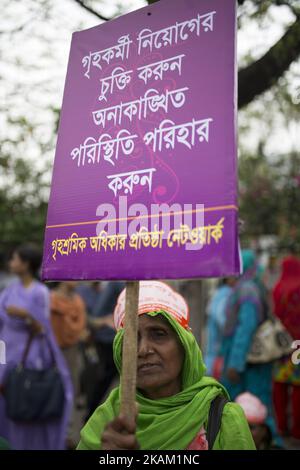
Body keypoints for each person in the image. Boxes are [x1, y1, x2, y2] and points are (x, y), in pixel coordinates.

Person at [77, 281, 255, 450]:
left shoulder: (222, 418)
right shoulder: (106, 422)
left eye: (158, 334)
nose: (143, 350)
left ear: (185, 346)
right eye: (131, 339)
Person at [0, 244, 73, 450]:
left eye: (14, 259)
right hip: (5, 351)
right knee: (5, 399)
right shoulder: (8, 290)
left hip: (29, 353)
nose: (10, 263)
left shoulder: (40, 292)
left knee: (26, 396)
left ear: (26, 264)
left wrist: (25, 315)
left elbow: (43, 329)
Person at [220, 249, 280, 446]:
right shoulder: (250, 287)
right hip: (249, 359)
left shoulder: (246, 290)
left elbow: (245, 328)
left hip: (247, 361)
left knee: (257, 404)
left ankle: (270, 442)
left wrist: (235, 363)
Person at [50, 281, 87, 447]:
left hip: (71, 351)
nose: (77, 281)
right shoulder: (50, 299)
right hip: (51, 351)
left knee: (70, 390)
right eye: (73, 278)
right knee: (51, 389)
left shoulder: (77, 301)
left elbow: (79, 327)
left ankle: (67, 433)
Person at [272, 255, 300, 441]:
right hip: (298, 345)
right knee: (297, 386)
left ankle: (281, 427)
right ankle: (297, 431)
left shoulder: (278, 288)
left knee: (280, 384)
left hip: (282, 345)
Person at [205, 278, 235, 376]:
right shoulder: (226, 294)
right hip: (218, 353)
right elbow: (222, 321)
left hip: (213, 353)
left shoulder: (219, 294)